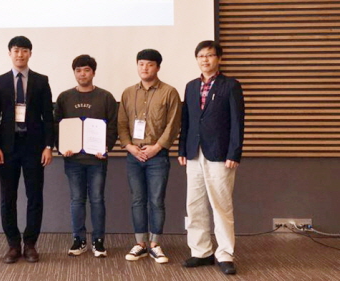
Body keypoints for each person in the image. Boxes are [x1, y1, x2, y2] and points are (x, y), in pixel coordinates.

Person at [178, 40, 245, 276]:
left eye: (209, 55)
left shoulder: (231, 85)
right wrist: (182, 149)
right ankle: (201, 252)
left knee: (221, 205)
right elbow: (186, 120)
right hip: (193, 152)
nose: (205, 59)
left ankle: (225, 254)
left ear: (219, 59)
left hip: (220, 154)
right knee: (194, 205)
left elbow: (237, 121)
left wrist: (234, 152)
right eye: (201, 56)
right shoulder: (191, 86)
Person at [0, 36, 54, 264]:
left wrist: (48, 146)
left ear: (30, 54)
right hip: (7, 148)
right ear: (9, 53)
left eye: (24, 50)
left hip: (34, 147)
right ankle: (13, 244)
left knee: (34, 196)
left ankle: (30, 244)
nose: (20, 54)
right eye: (16, 50)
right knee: (7, 197)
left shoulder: (41, 81)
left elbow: (48, 117)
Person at [118, 49, 181, 264]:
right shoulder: (128, 93)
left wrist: (156, 147)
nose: (144, 68)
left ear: (158, 67)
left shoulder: (169, 92)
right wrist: (129, 147)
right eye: (141, 64)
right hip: (133, 156)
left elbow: (173, 125)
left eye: (150, 64)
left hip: (157, 156)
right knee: (137, 200)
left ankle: (155, 244)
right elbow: (122, 123)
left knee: (156, 200)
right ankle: (140, 244)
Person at [55, 55, 118, 258]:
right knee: (77, 200)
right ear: (74, 73)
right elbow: (56, 126)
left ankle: (98, 241)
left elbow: (113, 125)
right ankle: (79, 240)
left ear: (93, 72)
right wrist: (62, 147)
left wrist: (106, 146)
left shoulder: (105, 97)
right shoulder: (64, 97)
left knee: (97, 199)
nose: (82, 74)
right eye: (78, 70)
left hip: (97, 160)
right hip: (73, 160)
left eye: (86, 70)